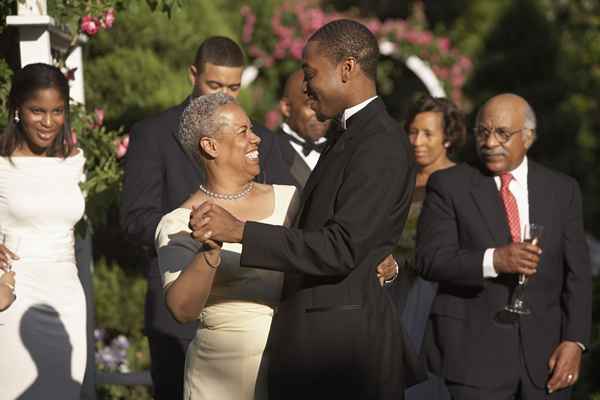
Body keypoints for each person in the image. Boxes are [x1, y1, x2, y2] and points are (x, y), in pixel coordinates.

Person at [188, 19, 425, 399]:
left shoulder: (379, 143)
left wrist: (241, 231)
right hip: (321, 346)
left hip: (342, 356)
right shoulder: (349, 135)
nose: (305, 85)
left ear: (347, 68)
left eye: (311, 73)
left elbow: (341, 247)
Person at [120, 36, 294, 399]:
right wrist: (192, 232)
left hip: (278, 330)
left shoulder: (263, 140)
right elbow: (136, 218)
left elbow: (292, 221)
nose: (225, 96)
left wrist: (242, 227)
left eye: (234, 87)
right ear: (193, 75)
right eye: (215, 85)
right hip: (185, 301)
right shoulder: (152, 133)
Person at [415, 93, 591, 399]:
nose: (490, 142)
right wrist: (495, 260)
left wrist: (575, 341)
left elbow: (578, 274)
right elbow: (430, 260)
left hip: (547, 361)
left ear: (528, 137)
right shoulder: (450, 185)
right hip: (474, 359)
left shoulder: (562, 190)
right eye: (483, 132)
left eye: (502, 133)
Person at [154, 92, 296, 400]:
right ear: (210, 145)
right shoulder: (179, 223)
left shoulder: (290, 200)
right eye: (243, 131)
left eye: (252, 129)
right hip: (220, 377)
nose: (256, 138)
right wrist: (210, 252)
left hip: (293, 365)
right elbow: (181, 310)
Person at [0, 63, 87, 399]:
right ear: (17, 110)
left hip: (67, 294)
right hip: (15, 292)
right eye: (37, 111)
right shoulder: (3, 164)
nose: (48, 122)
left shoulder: (73, 161)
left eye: (57, 111)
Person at [394, 95, 465, 399]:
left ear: (447, 138)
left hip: (436, 292)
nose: (417, 141)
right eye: (412, 132)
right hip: (391, 288)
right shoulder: (399, 179)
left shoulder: (463, 183)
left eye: (427, 134)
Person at [277, 69, 330, 188]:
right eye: (311, 105)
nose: (322, 114)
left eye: (326, 104)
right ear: (286, 107)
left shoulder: (339, 150)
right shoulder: (267, 153)